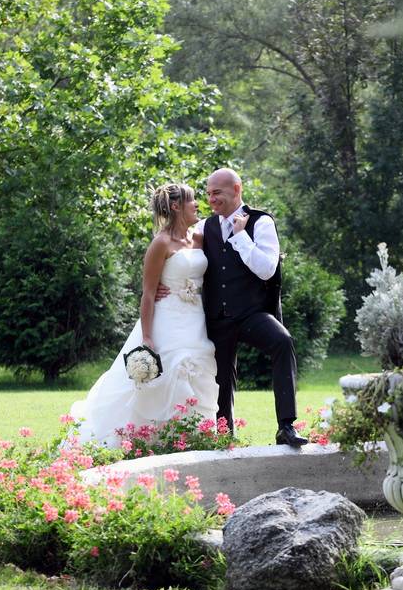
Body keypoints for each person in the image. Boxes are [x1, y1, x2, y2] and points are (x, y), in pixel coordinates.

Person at [160, 168, 306, 447]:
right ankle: (224, 435)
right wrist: (160, 286)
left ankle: (286, 426)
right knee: (222, 378)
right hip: (217, 316)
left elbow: (266, 270)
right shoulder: (204, 227)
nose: (212, 200)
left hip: (252, 312)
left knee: (283, 342)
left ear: (236, 189)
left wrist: (240, 237)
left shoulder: (261, 222)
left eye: (218, 193)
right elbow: (173, 248)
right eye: (208, 194)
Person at [68, 184, 219, 448]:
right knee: (170, 372)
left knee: (198, 370)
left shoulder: (199, 237)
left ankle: (194, 440)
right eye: (192, 201)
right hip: (167, 321)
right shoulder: (160, 243)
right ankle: (150, 442)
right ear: (175, 206)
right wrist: (147, 337)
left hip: (195, 320)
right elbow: (148, 294)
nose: (197, 205)